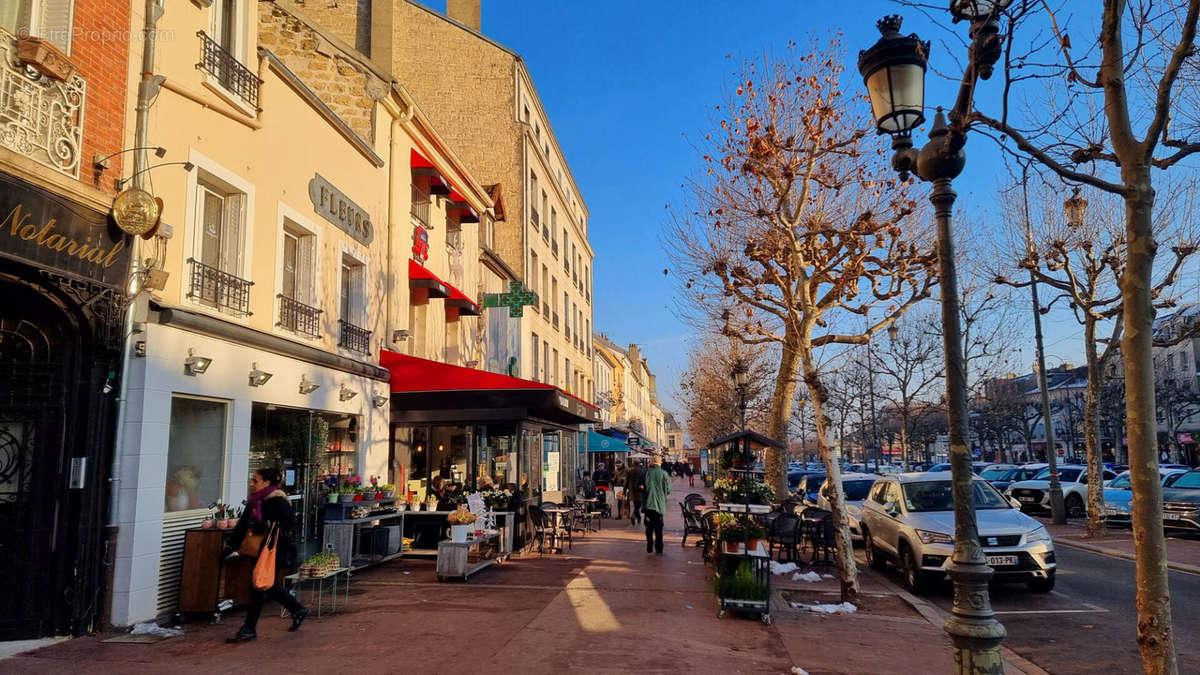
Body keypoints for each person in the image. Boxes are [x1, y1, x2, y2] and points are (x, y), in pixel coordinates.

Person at [226, 468, 308, 643]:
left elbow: (290, 524)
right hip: (260, 548)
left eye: (255, 480)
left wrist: (266, 525)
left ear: (266, 482)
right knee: (264, 584)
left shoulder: (276, 499)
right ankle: (297, 609)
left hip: (273, 549)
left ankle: (249, 628)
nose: (251, 484)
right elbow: (242, 525)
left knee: (259, 585)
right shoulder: (255, 500)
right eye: (252, 480)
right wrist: (230, 546)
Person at [641, 455, 671, 555]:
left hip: (648, 504)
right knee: (659, 527)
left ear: (651, 462)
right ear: (660, 462)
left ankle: (649, 542)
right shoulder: (664, 474)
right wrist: (662, 495)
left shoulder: (645, 473)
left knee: (649, 526)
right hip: (659, 505)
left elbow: (639, 486)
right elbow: (668, 489)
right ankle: (659, 547)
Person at [628, 461, 646, 526]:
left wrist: (625, 490)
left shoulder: (630, 471)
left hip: (632, 491)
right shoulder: (641, 471)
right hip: (640, 491)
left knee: (636, 505)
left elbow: (627, 481)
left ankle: (637, 517)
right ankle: (635, 516)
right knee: (638, 506)